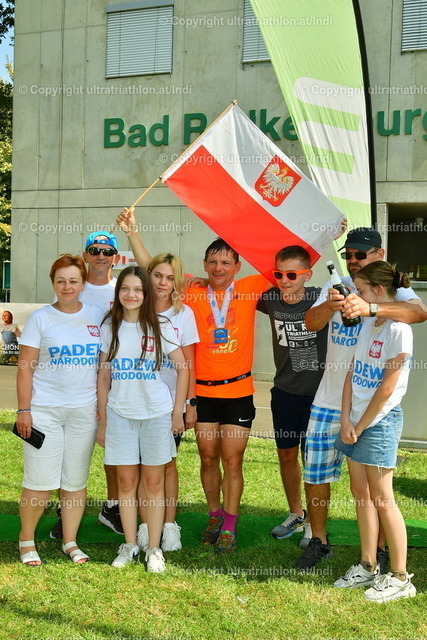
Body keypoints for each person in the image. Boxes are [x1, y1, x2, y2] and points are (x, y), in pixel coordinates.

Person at [115, 208, 271, 553]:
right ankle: (214, 514)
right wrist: (132, 233)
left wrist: (324, 231)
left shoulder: (250, 287)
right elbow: (154, 270)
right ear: (204, 264)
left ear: (237, 266)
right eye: (213, 262)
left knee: (233, 460)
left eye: (226, 262)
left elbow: (287, 264)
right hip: (203, 393)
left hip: (238, 390)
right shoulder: (193, 290)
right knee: (207, 458)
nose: (219, 268)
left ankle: (229, 524)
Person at [295, 227, 426, 571]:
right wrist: (329, 305)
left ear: (379, 254)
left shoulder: (390, 288)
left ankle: (379, 554)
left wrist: (370, 306)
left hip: (369, 408)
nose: (352, 260)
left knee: (371, 489)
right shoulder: (336, 284)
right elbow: (310, 323)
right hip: (330, 399)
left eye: (360, 254)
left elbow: (418, 313)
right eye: (348, 254)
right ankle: (319, 540)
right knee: (317, 474)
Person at [96, 266, 189, 572]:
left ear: (146, 293)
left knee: (153, 483)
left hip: (156, 415)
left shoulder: (160, 325)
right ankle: (129, 544)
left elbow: (183, 367)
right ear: (118, 292)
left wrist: (177, 411)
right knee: (126, 483)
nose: (131, 294)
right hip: (120, 415)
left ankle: (154, 549)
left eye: (138, 289)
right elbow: (104, 375)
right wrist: (103, 419)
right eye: (125, 288)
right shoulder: (110, 325)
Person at [333, 262, 416, 602]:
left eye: (361, 291)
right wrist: (345, 419)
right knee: (360, 492)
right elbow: (352, 373)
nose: (356, 297)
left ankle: (400, 577)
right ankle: (368, 566)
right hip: (355, 422)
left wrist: (360, 424)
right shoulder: (369, 323)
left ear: (378, 291)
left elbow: (387, 388)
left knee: (383, 497)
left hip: (379, 422)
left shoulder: (400, 330)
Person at [16, 254, 103, 566]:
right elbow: (25, 369)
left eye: (73, 281)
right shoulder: (41, 318)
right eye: (61, 281)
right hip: (44, 413)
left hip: (84, 413)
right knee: (39, 482)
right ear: (53, 283)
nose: (67, 287)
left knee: (75, 483)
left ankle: (70, 541)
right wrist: (24, 410)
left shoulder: (96, 315)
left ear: (83, 284)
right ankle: (26, 540)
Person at [50, 230, 123, 539]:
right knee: (69, 453)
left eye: (107, 251)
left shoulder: (122, 288)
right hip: (76, 385)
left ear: (116, 257)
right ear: (85, 255)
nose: (101, 256)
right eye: (94, 250)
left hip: (114, 382)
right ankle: (64, 511)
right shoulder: (73, 286)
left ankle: (112, 507)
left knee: (114, 450)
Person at [257, 246, 328, 547]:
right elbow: (229, 291)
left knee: (313, 461)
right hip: (284, 392)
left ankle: (314, 524)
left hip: (317, 395)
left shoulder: (320, 298)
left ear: (307, 275)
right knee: (286, 454)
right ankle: (295, 513)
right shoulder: (270, 298)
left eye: (292, 275)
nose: (284, 280)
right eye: (279, 274)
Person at [136, 253, 199, 554]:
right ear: (148, 275)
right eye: (158, 275)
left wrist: (189, 403)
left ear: (177, 282)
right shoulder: (135, 308)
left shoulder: (183, 314)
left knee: (167, 463)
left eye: (170, 278)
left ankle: (170, 525)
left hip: (170, 403)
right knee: (140, 466)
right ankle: (146, 526)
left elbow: (190, 362)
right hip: (137, 400)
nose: (163, 283)